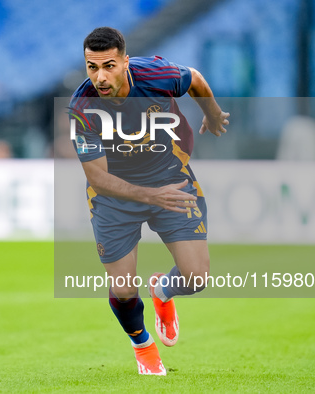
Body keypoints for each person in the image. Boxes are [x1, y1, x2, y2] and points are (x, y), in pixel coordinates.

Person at [69, 27, 229, 376]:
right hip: (114, 197)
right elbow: (97, 178)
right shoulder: (82, 107)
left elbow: (196, 79)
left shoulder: (155, 74)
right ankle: (142, 345)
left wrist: (212, 113)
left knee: (197, 277)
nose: (100, 76)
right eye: (91, 67)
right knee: (124, 289)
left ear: (125, 62)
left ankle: (162, 289)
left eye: (109, 65)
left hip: (170, 179)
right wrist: (148, 196)